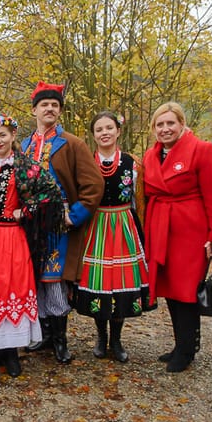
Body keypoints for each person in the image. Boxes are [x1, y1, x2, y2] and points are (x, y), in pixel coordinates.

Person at [0, 113, 63, 377]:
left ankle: (12, 354)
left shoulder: (25, 166)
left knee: (10, 289)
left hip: (11, 238)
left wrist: (26, 209)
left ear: (12, 136)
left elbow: (51, 194)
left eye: (2, 135)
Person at [20, 81, 104, 364]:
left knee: (54, 280)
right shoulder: (24, 145)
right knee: (37, 280)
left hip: (58, 226)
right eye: (44, 105)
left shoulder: (72, 143)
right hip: (30, 225)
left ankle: (60, 340)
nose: (50, 109)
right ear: (34, 110)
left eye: (55, 105)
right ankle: (44, 334)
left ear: (60, 111)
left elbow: (94, 184)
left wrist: (74, 215)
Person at [143, 102, 212, 373]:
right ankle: (182, 344)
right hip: (161, 228)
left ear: (181, 124)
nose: (165, 129)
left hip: (190, 231)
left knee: (186, 291)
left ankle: (187, 349)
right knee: (169, 290)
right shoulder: (150, 155)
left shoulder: (202, 151)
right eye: (160, 124)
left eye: (170, 123)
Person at [74, 111, 153, 363]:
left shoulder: (133, 163)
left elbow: (139, 200)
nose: (104, 133)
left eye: (109, 128)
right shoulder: (85, 161)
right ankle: (100, 336)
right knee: (99, 282)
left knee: (119, 282)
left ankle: (116, 340)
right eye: (99, 129)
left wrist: (141, 231)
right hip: (95, 225)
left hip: (123, 225)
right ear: (93, 134)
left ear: (118, 131)